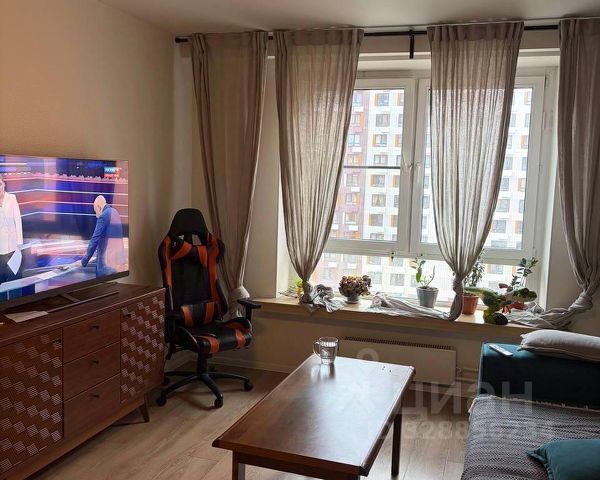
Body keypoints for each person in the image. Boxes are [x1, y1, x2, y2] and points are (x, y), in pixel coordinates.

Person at [80, 195, 125, 276]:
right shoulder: (115, 212)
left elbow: (95, 239)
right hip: (116, 263)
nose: (96, 215)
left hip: (105, 266)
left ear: (99, 207)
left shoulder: (103, 216)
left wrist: (84, 261)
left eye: (95, 211)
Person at [0, 175, 24, 284]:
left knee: (14, 279)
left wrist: (19, 243)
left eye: (0, 184)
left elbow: (18, 220)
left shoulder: (11, 198)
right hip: (1, 247)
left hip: (13, 246)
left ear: (4, 184)